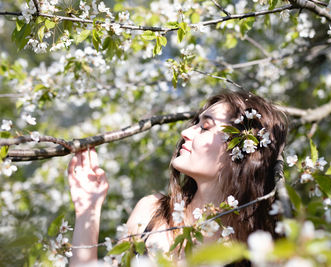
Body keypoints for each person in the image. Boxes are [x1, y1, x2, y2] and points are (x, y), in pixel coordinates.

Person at [67, 91, 288, 266]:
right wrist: (88, 209)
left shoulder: (260, 250)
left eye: (205, 127)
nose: (186, 132)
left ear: (242, 151)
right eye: (195, 123)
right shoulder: (152, 212)